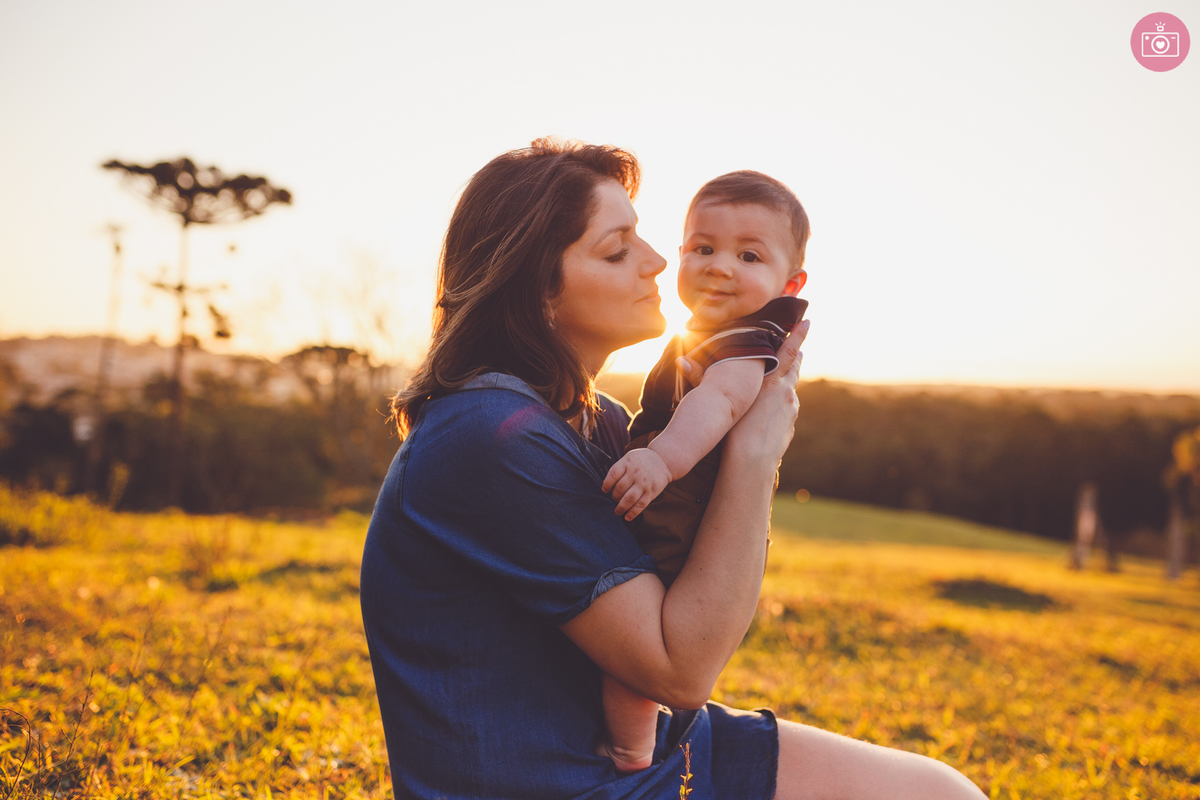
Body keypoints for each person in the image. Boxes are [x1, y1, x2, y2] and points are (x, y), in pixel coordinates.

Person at [359, 138, 985, 799]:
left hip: (658, 750)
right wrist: (756, 452)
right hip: (572, 784)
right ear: (537, 289)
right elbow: (682, 668)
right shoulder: (491, 437)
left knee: (945, 793)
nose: (659, 260)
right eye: (617, 250)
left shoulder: (601, 421)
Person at [597, 170, 811, 772]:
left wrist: (660, 459)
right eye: (703, 248)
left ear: (790, 283)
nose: (719, 267)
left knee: (635, 645)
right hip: (670, 495)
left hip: (683, 508)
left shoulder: (750, 339)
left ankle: (631, 751)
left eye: (748, 256)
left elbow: (719, 401)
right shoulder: (711, 331)